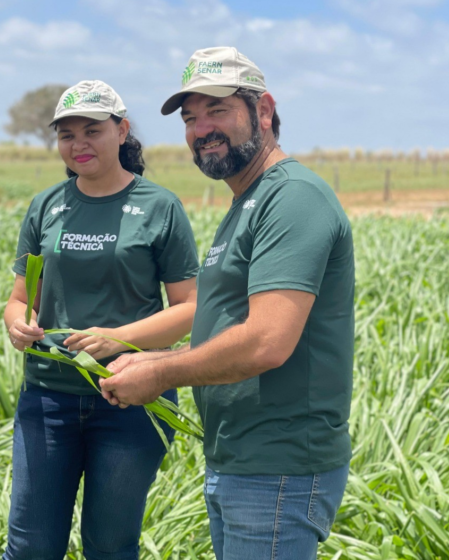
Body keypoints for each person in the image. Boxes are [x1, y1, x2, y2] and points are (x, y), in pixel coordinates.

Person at [99, 47, 355, 560]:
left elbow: (266, 342)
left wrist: (161, 375)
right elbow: (229, 327)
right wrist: (154, 358)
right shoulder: (247, 201)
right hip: (240, 460)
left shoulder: (293, 197)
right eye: (191, 119)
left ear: (263, 111)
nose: (201, 129)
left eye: (218, 111)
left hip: (276, 466)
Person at [3, 80, 200, 560]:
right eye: (67, 135)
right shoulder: (47, 206)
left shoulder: (159, 207)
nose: (79, 144)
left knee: (111, 546)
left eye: (93, 130)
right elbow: (18, 300)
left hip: (128, 400)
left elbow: (190, 308)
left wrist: (119, 340)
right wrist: (16, 324)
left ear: (122, 131)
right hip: (47, 399)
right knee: (30, 547)